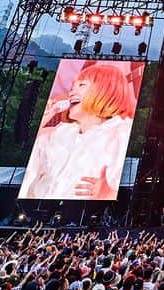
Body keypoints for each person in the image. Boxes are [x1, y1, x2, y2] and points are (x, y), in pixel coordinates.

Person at [19, 63, 138, 200]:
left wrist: (110, 193)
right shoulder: (58, 133)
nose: (71, 93)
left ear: (106, 90)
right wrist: (43, 120)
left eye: (81, 85)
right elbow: (24, 153)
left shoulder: (122, 132)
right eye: (72, 87)